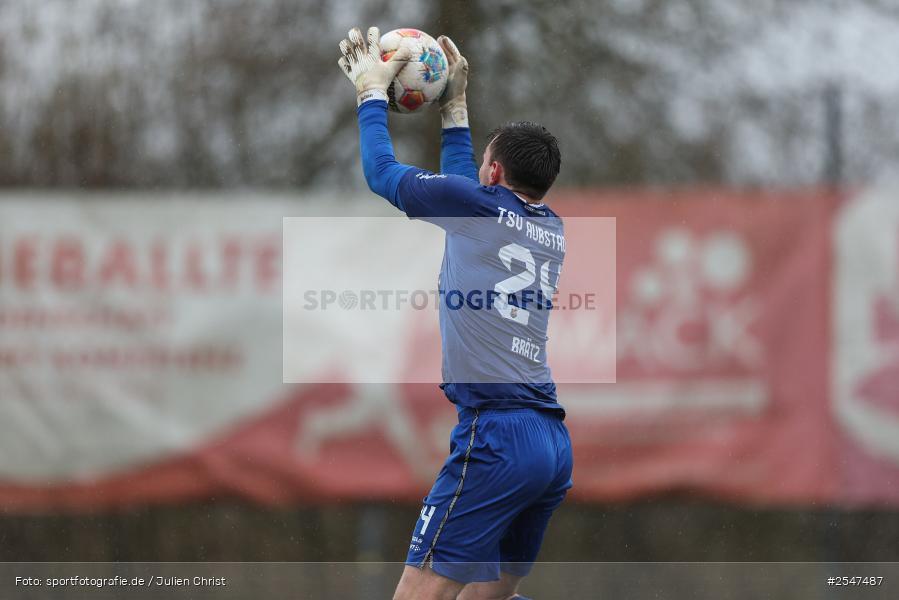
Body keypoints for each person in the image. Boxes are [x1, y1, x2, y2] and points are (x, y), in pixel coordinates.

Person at [338, 27, 573, 600]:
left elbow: (382, 176)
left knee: (418, 593)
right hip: (549, 441)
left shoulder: (478, 207)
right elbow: (467, 188)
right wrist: (456, 110)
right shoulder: (550, 227)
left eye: (483, 167)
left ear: (493, 176)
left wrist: (372, 94)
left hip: (495, 436)